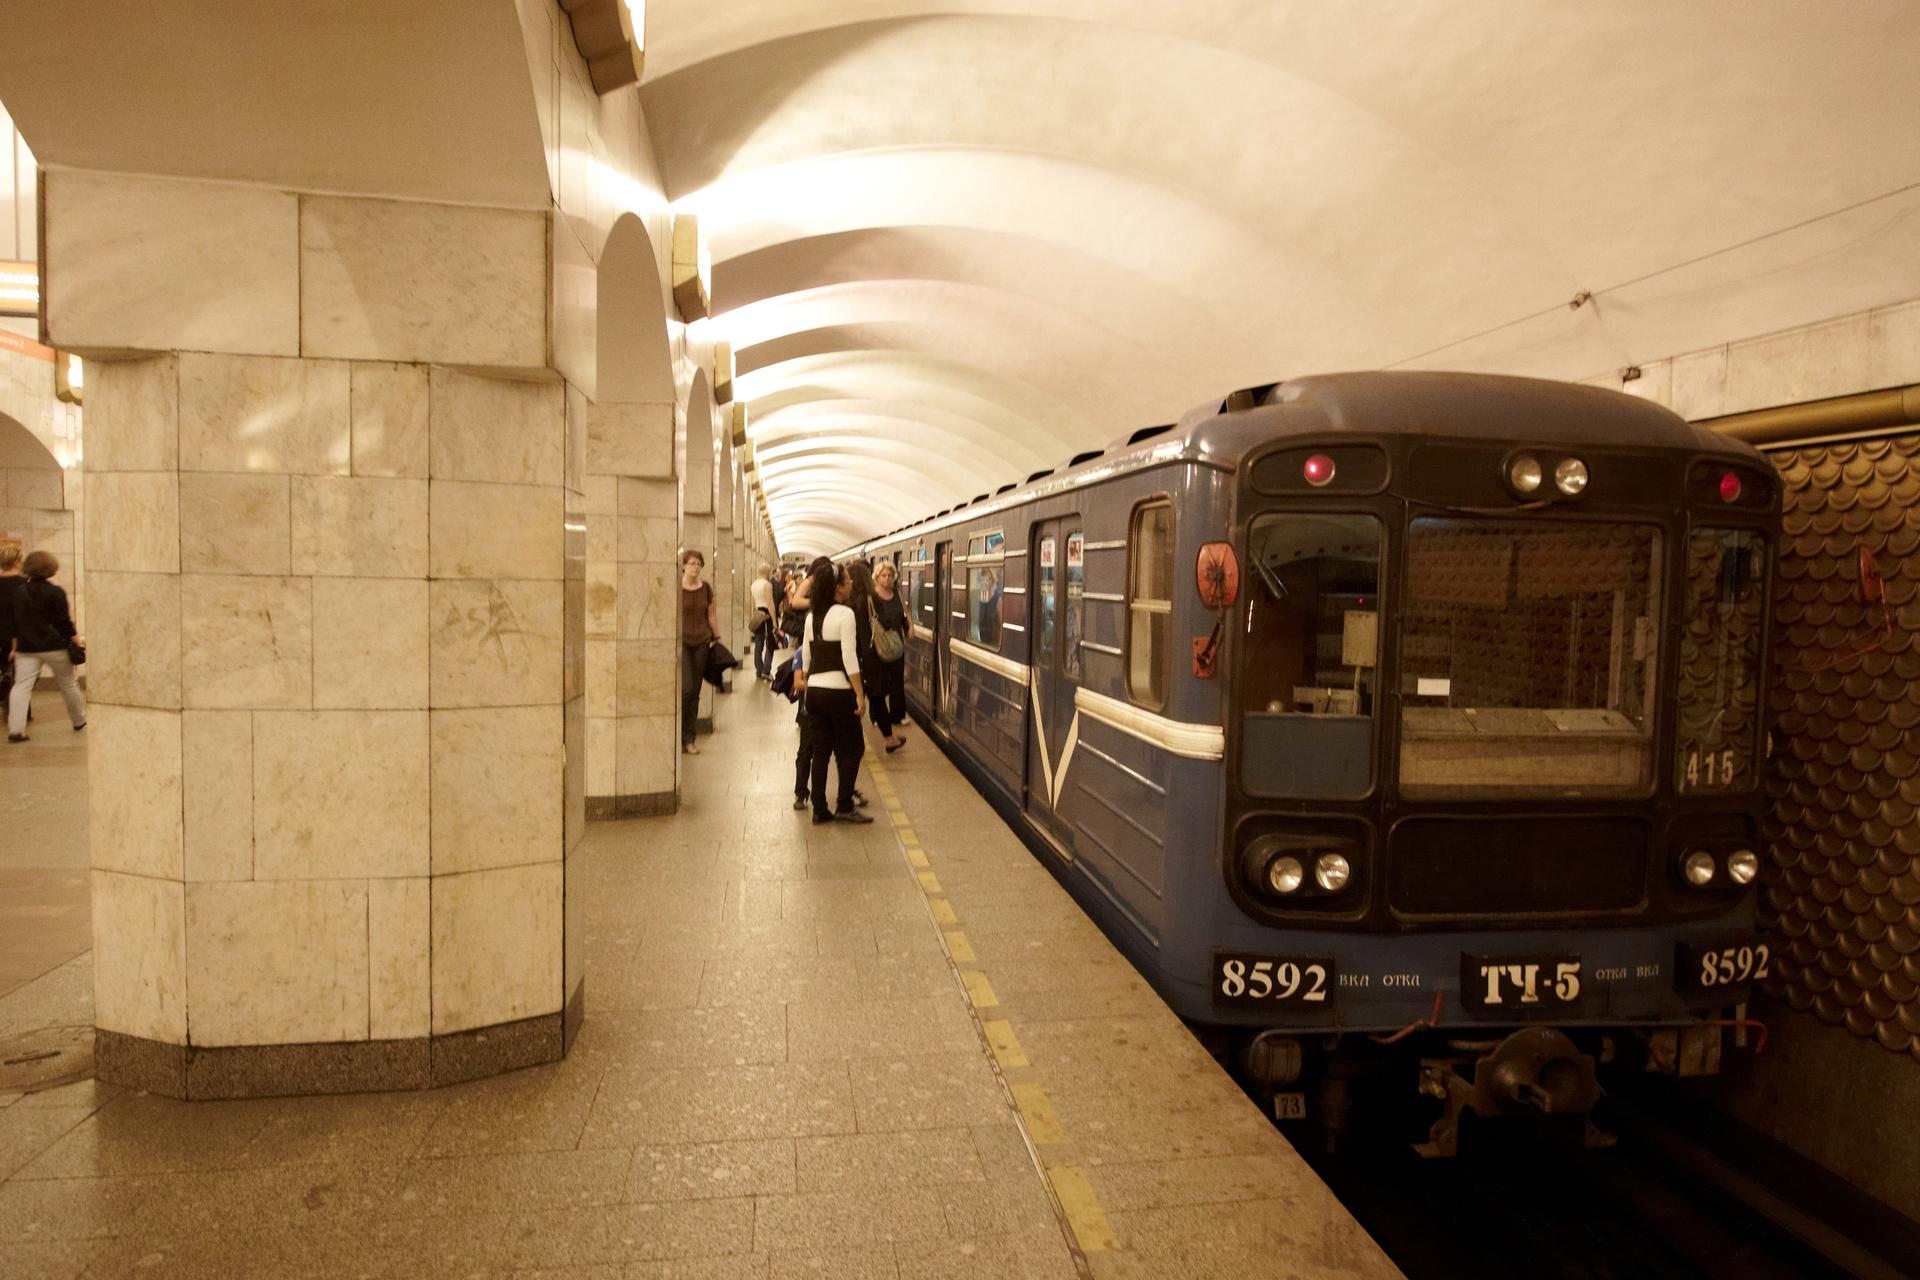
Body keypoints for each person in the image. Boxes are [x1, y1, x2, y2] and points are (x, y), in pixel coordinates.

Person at [799, 559, 873, 824]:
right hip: (839, 690)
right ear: (838, 587)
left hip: (816, 690)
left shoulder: (812, 616)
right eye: (848, 581)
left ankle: (819, 809)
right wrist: (858, 693)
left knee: (821, 751)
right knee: (852, 748)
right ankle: (843, 805)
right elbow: (849, 657)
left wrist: (807, 686)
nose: (851, 584)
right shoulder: (845, 614)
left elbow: (806, 656)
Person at [7, 551, 85, 743]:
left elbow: (13, 622)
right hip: (55, 646)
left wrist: (15, 645)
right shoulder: (56, 592)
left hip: (26, 648)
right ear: (50, 568)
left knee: (21, 686)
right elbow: (63, 622)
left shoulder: (18, 592)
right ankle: (79, 720)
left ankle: (16, 730)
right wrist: (75, 639)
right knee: (68, 683)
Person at [869, 560, 911, 750]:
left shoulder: (897, 595)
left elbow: (903, 613)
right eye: (883, 576)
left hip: (895, 645)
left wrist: (909, 626)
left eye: (890, 576)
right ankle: (877, 717)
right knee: (878, 684)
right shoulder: (872, 598)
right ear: (877, 577)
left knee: (896, 681)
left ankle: (897, 715)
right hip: (878, 647)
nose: (887, 579)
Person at [679, 548, 718, 754]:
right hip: (683, 642)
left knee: (695, 691)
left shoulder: (706, 588)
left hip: (702, 641)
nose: (695, 567)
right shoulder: (677, 588)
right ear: (683, 566)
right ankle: (679, 732)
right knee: (686, 689)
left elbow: (711, 615)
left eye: (699, 563)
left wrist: (717, 637)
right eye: (692, 563)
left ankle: (689, 738)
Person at [0, 546, 24, 724]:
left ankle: (5, 701)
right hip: (18, 633)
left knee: (4, 670)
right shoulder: (24, 584)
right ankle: (18, 711)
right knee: (21, 675)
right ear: (16, 562)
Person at [749, 564, 777, 681]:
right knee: (770, 643)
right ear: (768, 572)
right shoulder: (767, 584)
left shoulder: (754, 584)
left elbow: (752, 602)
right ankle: (766, 670)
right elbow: (770, 603)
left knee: (758, 643)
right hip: (766, 615)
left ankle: (758, 670)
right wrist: (774, 621)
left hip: (757, 613)